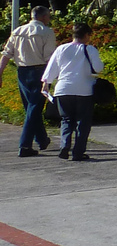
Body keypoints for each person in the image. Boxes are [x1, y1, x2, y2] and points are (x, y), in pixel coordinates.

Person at [0, 6, 58, 157]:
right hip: (40, 72)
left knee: (31, 108)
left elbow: (6, 54)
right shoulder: (46, 32)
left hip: (22, 72)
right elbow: (49, 58)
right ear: (44, 17)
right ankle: (25, 145)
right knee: (34, 108)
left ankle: (42, 139)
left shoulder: (18, 31)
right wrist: (54, 76)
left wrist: (0, 73)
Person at [42, 23, 103, 162]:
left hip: (63, 90)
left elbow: (52, 68)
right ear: (86, 35)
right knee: (83, 122)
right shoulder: (90, 50)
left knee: (66, 120)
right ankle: (78, 152)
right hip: (84, 90)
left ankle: (64, 145)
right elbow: (98, 68)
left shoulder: (61, 49)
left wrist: (46, 84)